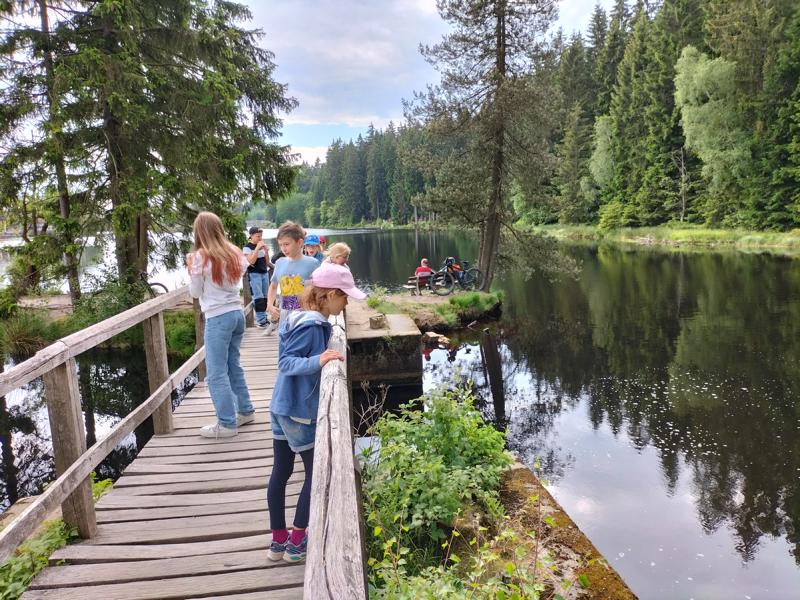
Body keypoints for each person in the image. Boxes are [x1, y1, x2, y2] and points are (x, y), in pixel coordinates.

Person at [267, 263, 367, 563]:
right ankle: (297, 542)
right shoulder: (312, 325)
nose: (347, 302)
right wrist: (319, 360)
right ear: (331, 295)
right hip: (297, 411)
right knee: (316, 475)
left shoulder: (298, 312)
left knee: (281, 472)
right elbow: (286, 363)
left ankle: (277, 541)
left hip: (280, 405)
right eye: (345, 297)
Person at [187, 212, 254, 439]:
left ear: (199, 232)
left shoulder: (200, 257)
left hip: (217, 317)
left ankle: (226, 424)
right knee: (233, 365)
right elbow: (243, 271)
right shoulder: (234, 251)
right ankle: (244, 410)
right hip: (236, 313)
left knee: (216, 373)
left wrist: (192, 272)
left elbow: (195, 292)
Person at [267, 221, 320, 331]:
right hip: (285, 316)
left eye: (286, 244)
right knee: (285, 344)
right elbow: (273, 286)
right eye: (280, 245)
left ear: (300, 242)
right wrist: (270, 305)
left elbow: (320, 289)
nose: (283, 248)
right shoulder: (280, 263)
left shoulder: (313, 263)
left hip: (305, 316)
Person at [242, 226, 273, 328]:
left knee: (264, 297)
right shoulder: (247, 247)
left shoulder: (261, 246)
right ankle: (260, 321)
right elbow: (251, 261)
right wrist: (256, 248)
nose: (260, 238)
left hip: (264, 272)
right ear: (251, 236)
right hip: (254, 274)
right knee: (258, 297)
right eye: (257, 236)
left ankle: (264, 318)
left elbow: (267, 262)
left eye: (261, 236)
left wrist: (266, 251)